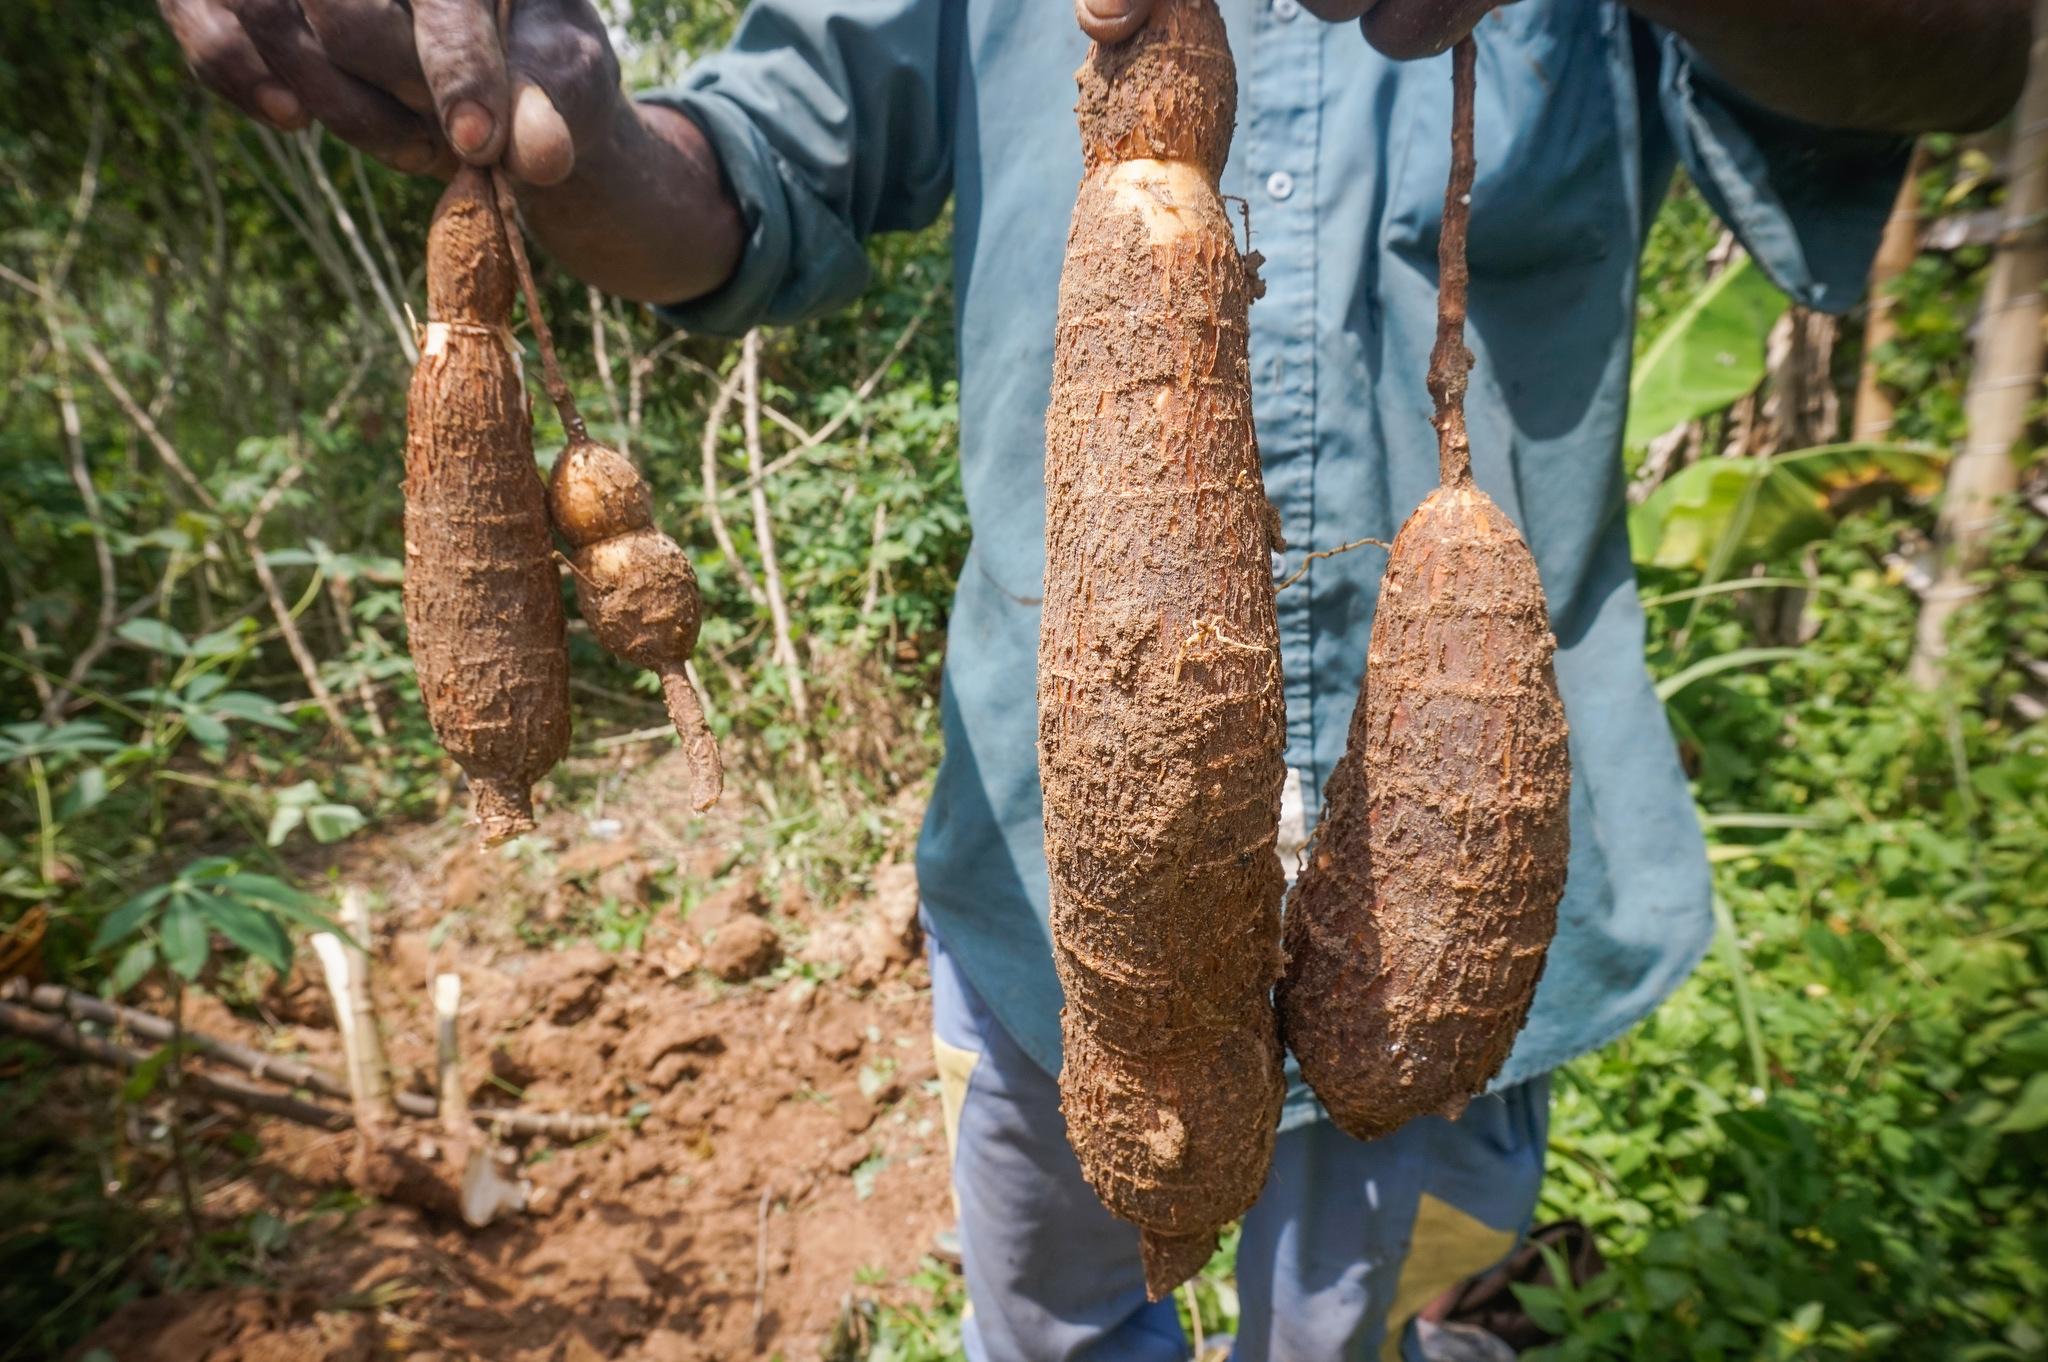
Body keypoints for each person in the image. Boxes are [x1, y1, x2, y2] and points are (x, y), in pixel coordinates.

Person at [160, 0, 2028, 1357]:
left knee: (1394, 1329)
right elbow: (741, 175)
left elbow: (1964, 51)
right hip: (1055, 903)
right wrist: (569, 118)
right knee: (1060, 1327)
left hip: (1463, 924)